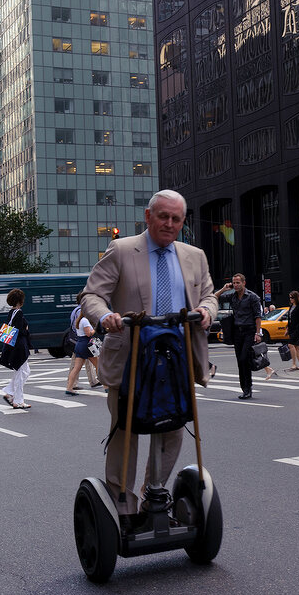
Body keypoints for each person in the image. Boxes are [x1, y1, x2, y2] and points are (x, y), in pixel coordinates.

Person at [79, 189, 218, 513]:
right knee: (125, 432)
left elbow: (209, 296)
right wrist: (106, 316)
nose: (169, 224)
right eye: (163, 216)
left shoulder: (194, 255)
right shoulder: (123, 249)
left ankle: (152, 494)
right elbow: (91, 296)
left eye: (176, 219)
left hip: (176, 358)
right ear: (148, 216)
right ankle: (122, 502)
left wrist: (208, 310)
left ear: (182, 222)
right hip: (131, 359)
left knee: (173, 430)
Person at [215, 273, 267, 399]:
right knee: (240, 361)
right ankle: (244, 389)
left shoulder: (252, 297)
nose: (236, 285)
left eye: (238, 282)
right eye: (234, 282)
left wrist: (258, 333)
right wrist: (223, 288)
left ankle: (248, 388)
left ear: (244, 283)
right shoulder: (232, 296)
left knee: (244, 358)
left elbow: (258, 316)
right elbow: (214, 298)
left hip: (249, 331)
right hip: (237, 332)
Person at [1, 289, 32, 409]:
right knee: (21, 373)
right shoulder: (18, 313)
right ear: (20, 300)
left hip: (14, 346)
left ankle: (10, 393)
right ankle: (17, 400)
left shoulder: (12, 312)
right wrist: (26, 329)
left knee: (24, 372)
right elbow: (19, 331)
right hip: (19, 347)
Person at [65, 306, 101, 394]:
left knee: (76, 368)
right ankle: (106, 386)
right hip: (86, 345)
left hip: (80, 344)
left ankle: (69, 388)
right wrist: (95, 329)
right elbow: (88, 334)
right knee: (99, 365)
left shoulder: (79, 320)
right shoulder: (85, 321)